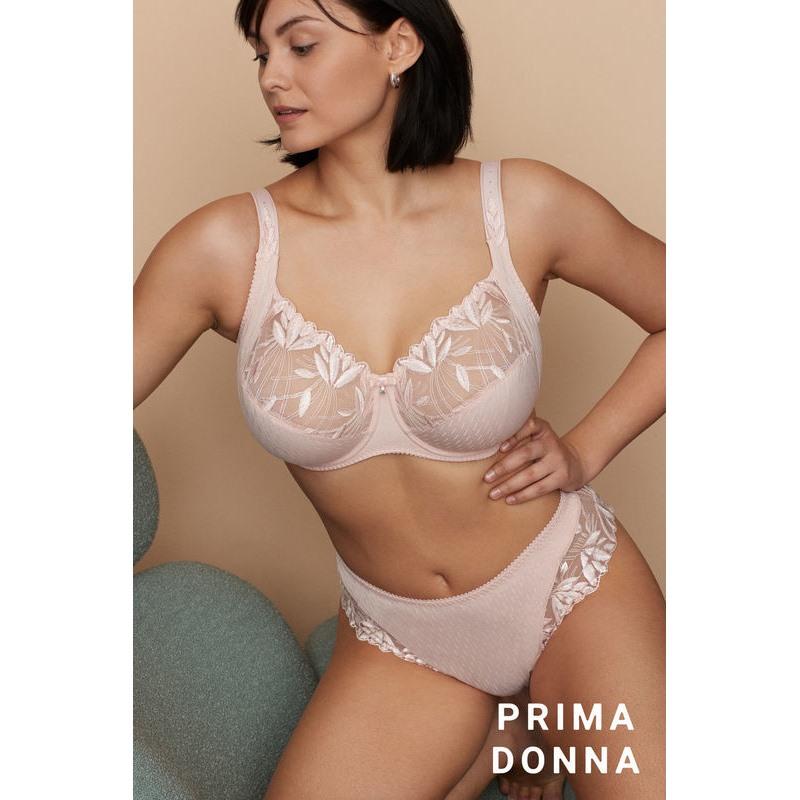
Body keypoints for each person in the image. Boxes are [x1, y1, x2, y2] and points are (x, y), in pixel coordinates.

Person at [133, 1, 666, 797]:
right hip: (401, 636)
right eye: (262, 54)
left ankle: (534, 724)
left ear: (400, 45)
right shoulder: (222, 248)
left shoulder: (523, 205)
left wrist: (585, 450)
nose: (273, 77)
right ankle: (506, 728)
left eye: (301, 44)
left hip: (568, 590)